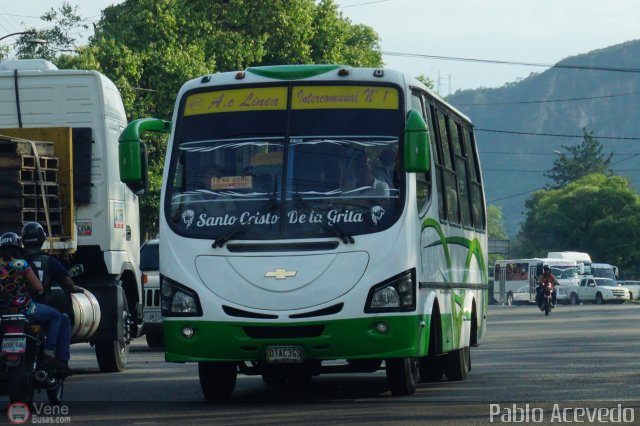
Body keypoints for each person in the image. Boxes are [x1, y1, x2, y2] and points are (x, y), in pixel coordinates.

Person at [0, 232, 70, 374]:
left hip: (3, 312)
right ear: (19, 248)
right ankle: (49, 351)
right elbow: (39, 288)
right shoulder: (22, 264)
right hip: (25, 310)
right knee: (57, 316)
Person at [21, 222, 81, 372]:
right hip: (32, 309)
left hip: (9, 312)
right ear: (41, 240)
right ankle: (55, 357)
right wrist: (75, 288)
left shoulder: (13, 263)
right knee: (61, 317)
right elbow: (66, 283)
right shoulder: (46, 262)